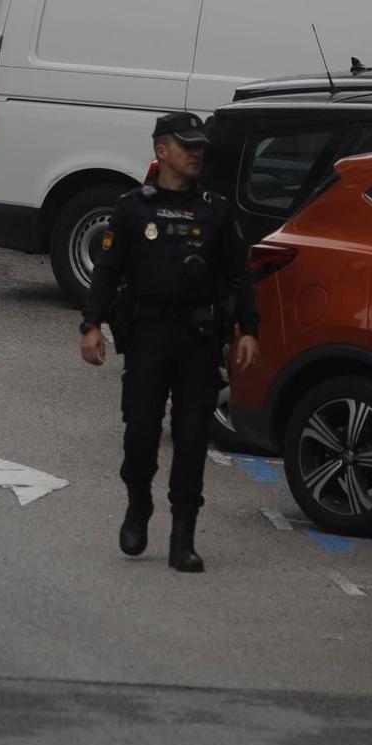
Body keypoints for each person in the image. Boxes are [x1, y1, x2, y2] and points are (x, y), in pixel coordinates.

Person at [81, 112, 260, 573]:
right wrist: (91, 324)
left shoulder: (216, 210)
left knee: (192, 435)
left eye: (200, 146)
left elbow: (240, 276)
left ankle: (184, 534)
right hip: (147, 337)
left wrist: (248, 330)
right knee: (141, 432)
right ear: (161, 152)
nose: (196, 153)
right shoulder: (133, 208)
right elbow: (108, 270)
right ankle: (138, 503)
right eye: (187, 146)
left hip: (199, 338)